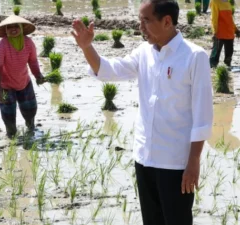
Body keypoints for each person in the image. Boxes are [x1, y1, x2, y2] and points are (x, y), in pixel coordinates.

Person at [71, 1, 213, 224]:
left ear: (167, 21)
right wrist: (87, 47)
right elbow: (109, 70)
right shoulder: (144, 53)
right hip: (144, 158)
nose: (140, 27)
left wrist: (193, 161)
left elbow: (202, 115)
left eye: (146, 20)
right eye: (140, 20)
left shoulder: (194, 56)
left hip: (175, 163)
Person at [0, 15, 45, 138]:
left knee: (30, 109)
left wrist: (38, 75)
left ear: (21, 28)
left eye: (16, 26)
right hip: (5, 85)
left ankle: (30, 128)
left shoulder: (28, 43)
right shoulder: (2, 46)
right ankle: (11, 135)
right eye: (9, 27)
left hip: (24, 82)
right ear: (5, 30)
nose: (13, 29)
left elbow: (32, 61)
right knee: (8, 113)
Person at [210, 0, 240, 68]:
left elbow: (230, 18)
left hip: (229, 33)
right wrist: (214, 32)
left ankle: (227, 70)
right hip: (219, 33)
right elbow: (214, 18)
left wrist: (235, 29)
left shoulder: (227, 2)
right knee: (215, 56)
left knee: (228, 57)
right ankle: (212, 71)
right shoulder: (215, 2)